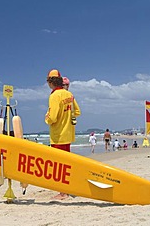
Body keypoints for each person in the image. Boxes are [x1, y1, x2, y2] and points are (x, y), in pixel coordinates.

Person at [45, 69, 81, 200]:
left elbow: (52, 117)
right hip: (68, 134)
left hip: (58, 135)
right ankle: (67, 189)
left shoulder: (54, 96)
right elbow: (77, 111)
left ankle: (63, 192)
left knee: (58, 165)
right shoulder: (68, 94)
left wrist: (46, 118)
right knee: (66, 163)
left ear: (50, 82)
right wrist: (67, 115)